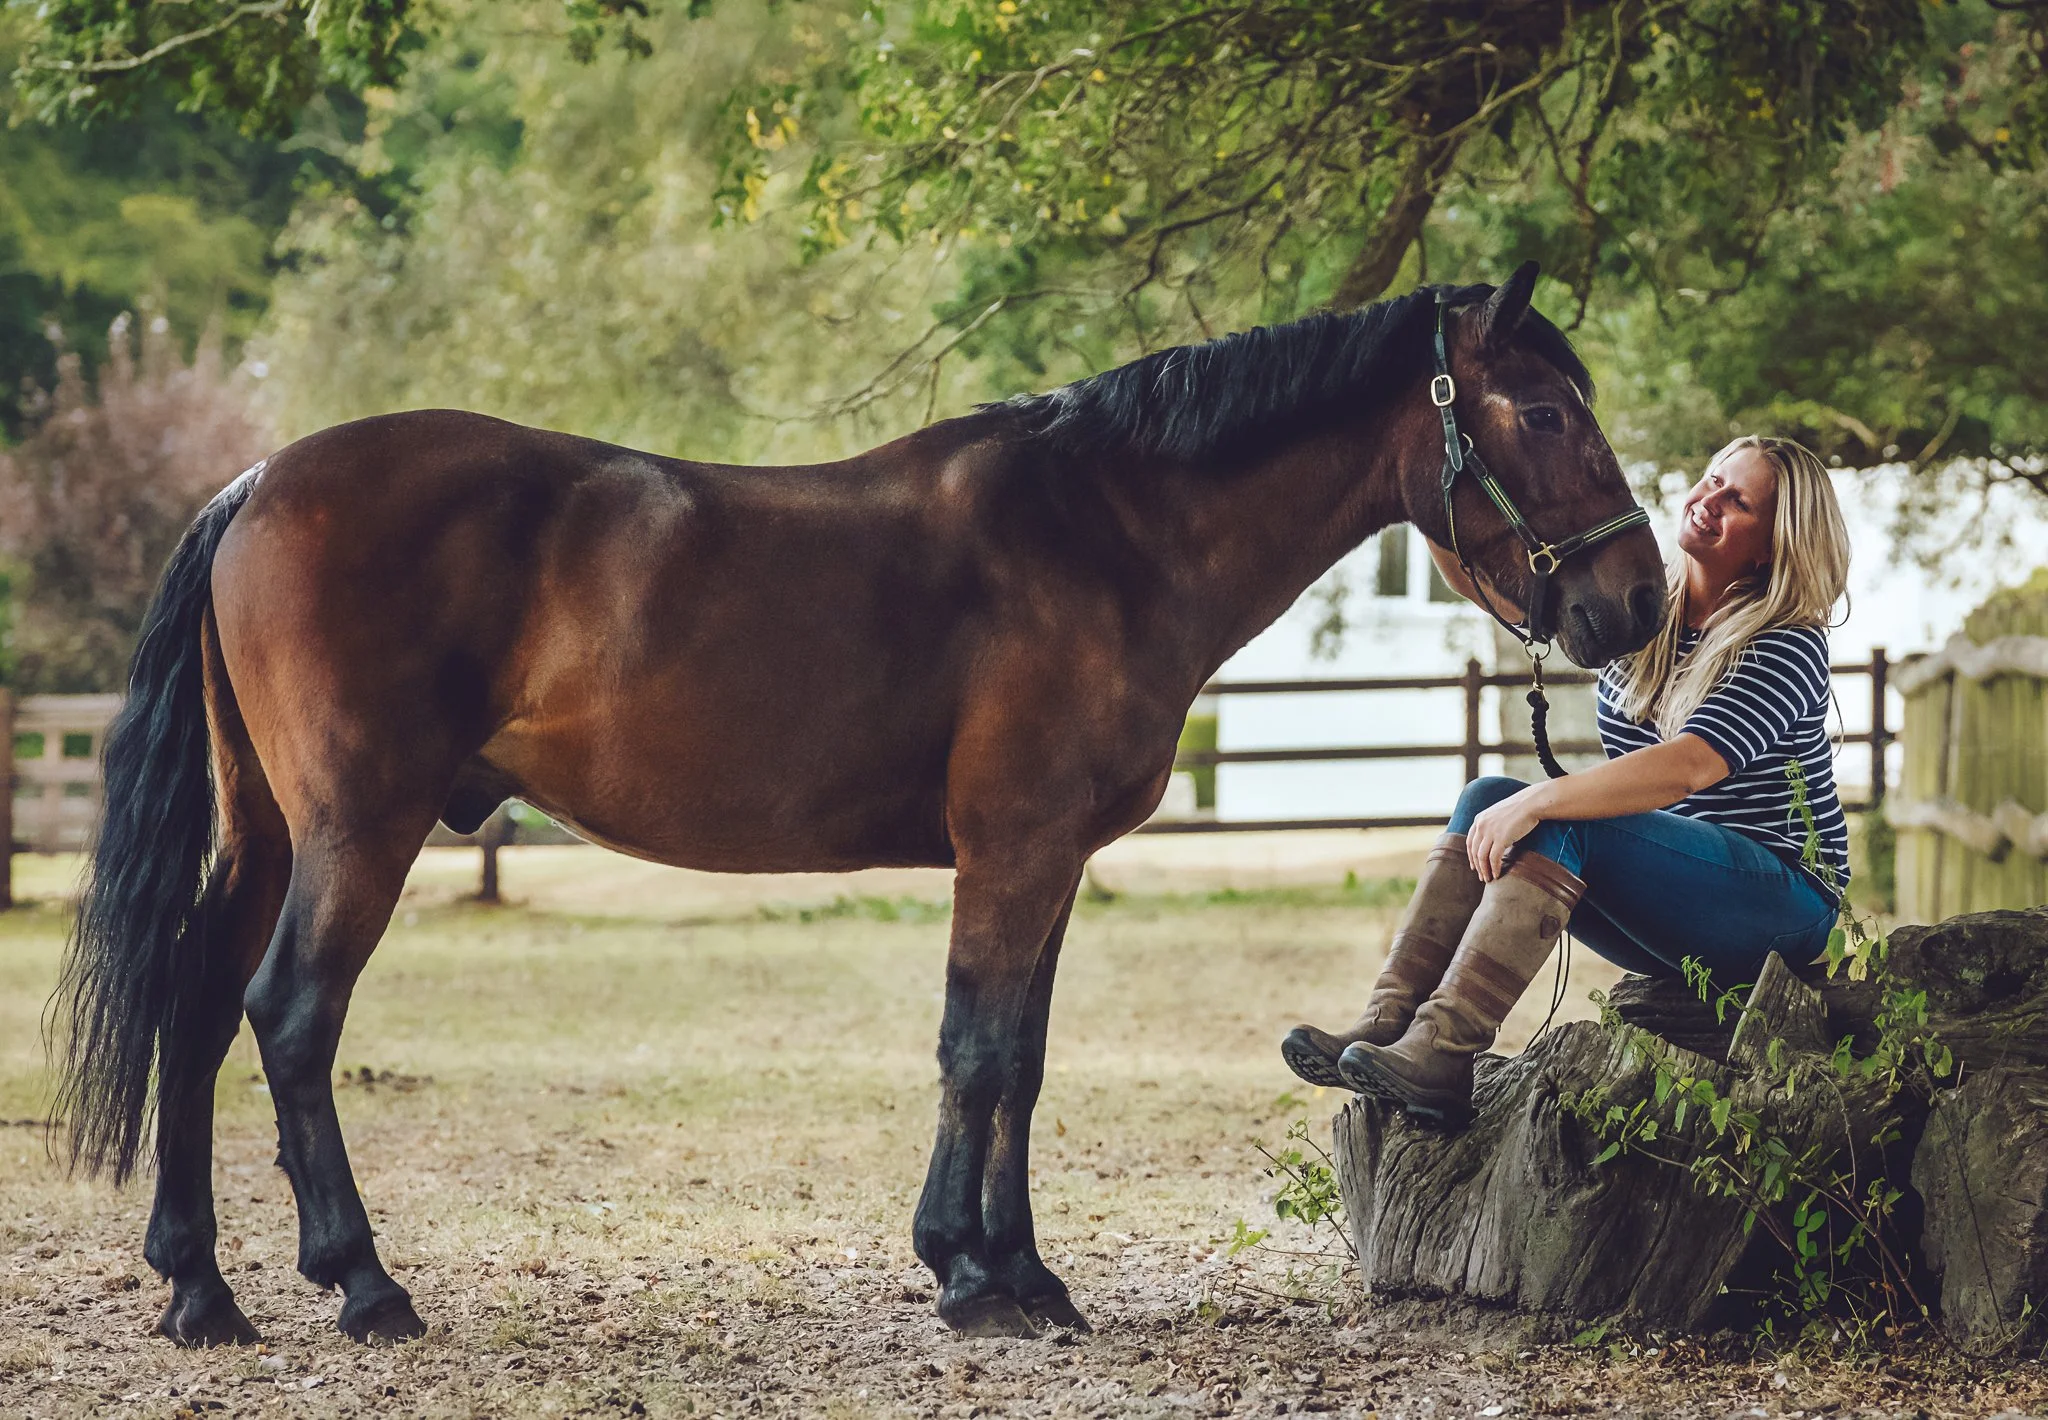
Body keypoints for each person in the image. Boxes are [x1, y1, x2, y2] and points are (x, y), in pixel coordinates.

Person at [1281, 434, 1852, 1122]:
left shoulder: (1786, 641)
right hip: (1682, 901)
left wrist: (1542, 800)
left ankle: (1444, 1049)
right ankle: (1389, 1021)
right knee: (1487, 796)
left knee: (1552, 817)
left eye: (1739, 502)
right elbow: (1506, 598)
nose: (1710, 501)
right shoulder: (1646, 614)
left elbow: (1690, 766)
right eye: (1712, 480)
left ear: (1771, 546)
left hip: (1784, 905)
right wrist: (1426, 499)